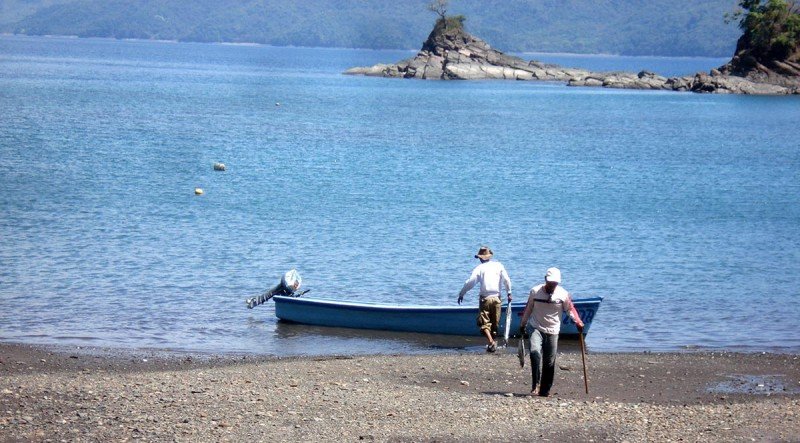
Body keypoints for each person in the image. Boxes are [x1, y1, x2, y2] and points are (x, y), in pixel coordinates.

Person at [519, 267, 584, 397]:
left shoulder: (563, 294)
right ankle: (535, 384)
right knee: (534, 352)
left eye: (555, 283)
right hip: (536, 327)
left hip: (553, 330)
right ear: (545, 280)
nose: (552, 285)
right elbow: (528, 308)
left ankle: (545, 390)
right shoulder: (535, 291)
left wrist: (578, 321)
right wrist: (523, 324)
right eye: (550, 283)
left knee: (549, 362)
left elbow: (570, 309)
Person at [457, 246, 512, 352]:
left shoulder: (479, 268)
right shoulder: (498, 266)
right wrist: (509, 292)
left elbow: (470, 282)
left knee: (484, 323)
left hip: (485, 299)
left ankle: (491, 342)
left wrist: (462, 293)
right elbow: (506, 280)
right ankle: (492, 344)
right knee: (494, 323)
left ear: (480, 258)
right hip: (497, 298)